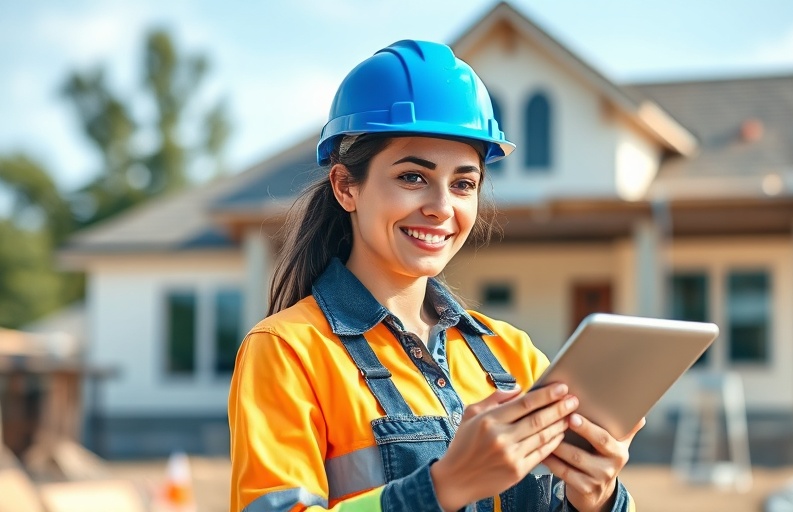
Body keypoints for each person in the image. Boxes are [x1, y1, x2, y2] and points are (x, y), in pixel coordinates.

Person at [228, 39, 643, 512]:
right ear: (346, 187)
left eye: (463, 184)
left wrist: (597, 498)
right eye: (413, 177)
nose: (441, 207)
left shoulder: (515, 357)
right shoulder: (286, 353)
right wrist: (442, 486)